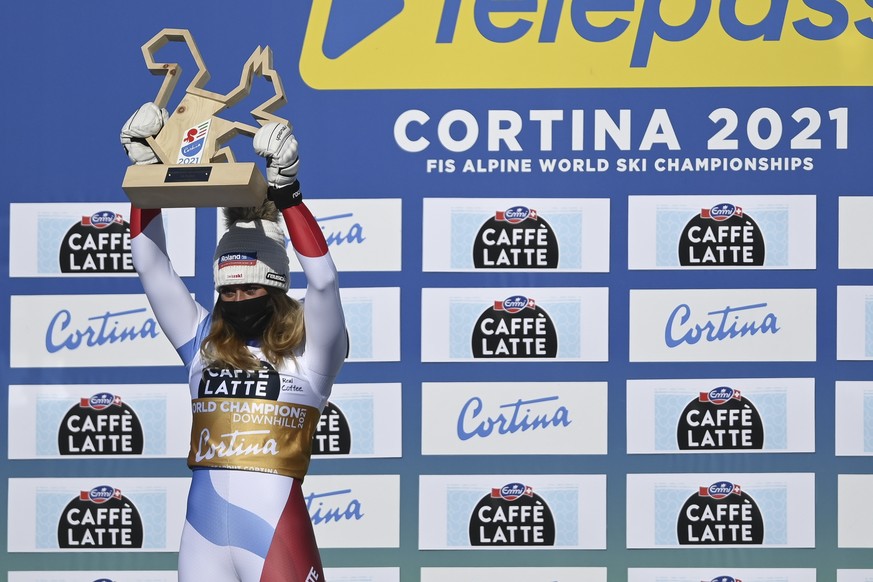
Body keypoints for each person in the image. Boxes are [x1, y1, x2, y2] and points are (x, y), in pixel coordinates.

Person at [121, 102, 347, 582]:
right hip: (201, 534)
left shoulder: (312, 347)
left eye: (251, 288)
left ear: (277, 286)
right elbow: (150, 266)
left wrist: (287, 193)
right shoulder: (200, 338)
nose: (238, 298)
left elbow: (324, 282)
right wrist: (143, 177)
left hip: (273, 530)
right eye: (228, 290)